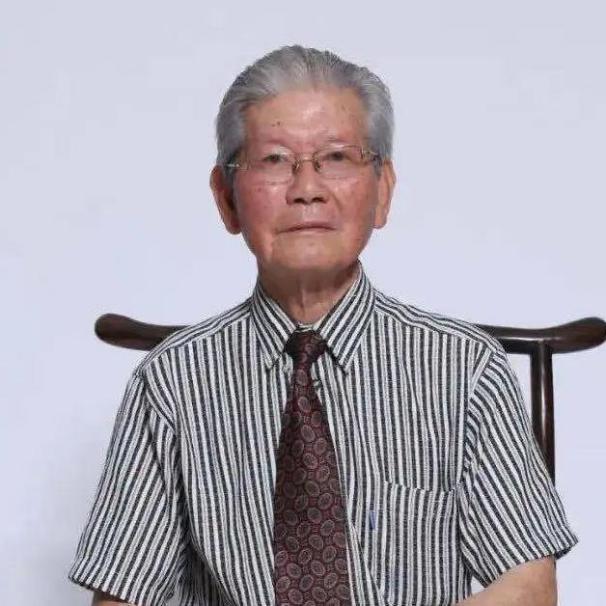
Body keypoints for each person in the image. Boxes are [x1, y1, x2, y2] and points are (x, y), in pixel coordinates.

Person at [67, 45, 578, 606]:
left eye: (337, 157)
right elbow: (120, 599)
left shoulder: (465, 370)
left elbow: (528, 586)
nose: (306, 188)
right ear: (226, 198)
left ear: (382, 191)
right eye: (274, 160)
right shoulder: (170, 382)